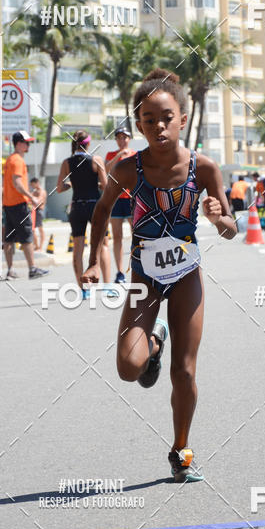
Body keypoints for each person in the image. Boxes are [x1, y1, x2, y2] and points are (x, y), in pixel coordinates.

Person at [82, 69, 237, 483]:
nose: (158, 126)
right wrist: (94, 259)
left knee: (184, 372)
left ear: (182, 118)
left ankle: (180, 449)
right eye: (148, 120)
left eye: (166, 116)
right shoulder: (127, 167)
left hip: (186, 275)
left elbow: (231, 228)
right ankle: (153, 342)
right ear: (139, 125)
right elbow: (101, 210)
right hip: (143, 277)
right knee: (128, 368)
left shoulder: (203, 169)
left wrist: (220, 218)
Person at [56, 130, 111, 297]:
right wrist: (99, 186)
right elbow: (106, 186)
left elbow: (59, 188)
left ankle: (84, 289)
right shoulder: (96, 160)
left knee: (78, 249)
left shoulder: (67, 163)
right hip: (95, 206)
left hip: (77, 206)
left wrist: (71, 185)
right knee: (102, 245)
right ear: (88, 144)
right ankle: (107, 286)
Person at [3, 130, 49, 281]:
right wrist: (31, 198)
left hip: (8, 204)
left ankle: (10, 270)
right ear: (19, 144)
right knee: (27, 236)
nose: (28, 145)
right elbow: (17, 183)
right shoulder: (17, 160)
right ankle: (32, 269)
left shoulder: (9, 159)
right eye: (26, 142)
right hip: (19, 204)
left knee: (9, 239)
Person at [105, 127, 137, 283]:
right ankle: (119, 272)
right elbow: (106, 169)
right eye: (119, 138)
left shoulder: (136, 155)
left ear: (129, 139)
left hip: (131, 198)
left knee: (136, 234)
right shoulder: (111, 155)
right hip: (116, 199)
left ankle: (138, 268)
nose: (122, 140)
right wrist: (119, 155)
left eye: (125, 137)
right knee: (117, 237)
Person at [30, 177, 47, 252]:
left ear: (37, 183)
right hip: (34, 211)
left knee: (40, 229)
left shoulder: (42, 191)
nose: (32, 186)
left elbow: (39, 201)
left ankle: (40, 247)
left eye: (32, 184)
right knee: (32, 229)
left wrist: (32, 198)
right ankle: (36, 246)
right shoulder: (34, 191)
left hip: (39, 210)